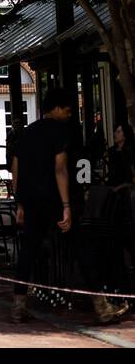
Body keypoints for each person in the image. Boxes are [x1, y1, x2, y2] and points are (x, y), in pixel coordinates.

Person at [10, 88, 127, 324]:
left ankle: (17, 305)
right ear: (55, 108)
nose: (69, 114)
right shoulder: (60, 131)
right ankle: (101, 306)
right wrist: (66, 205)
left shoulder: (26, 134)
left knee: (28, 250)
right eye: (67, 109)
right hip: (54, 199)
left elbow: (16, 170)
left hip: (31, 201)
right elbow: (60, 168)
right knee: (81, 246)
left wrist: (20, 203)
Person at [108, 123, 135, 188]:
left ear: (125, 135)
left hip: (126, 190)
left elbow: (132, 176)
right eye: (115, 131)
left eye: (118, 132)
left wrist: (120, 187)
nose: (115, 134)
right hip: (113, 188)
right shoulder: (112, 151)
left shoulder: (129, 152)